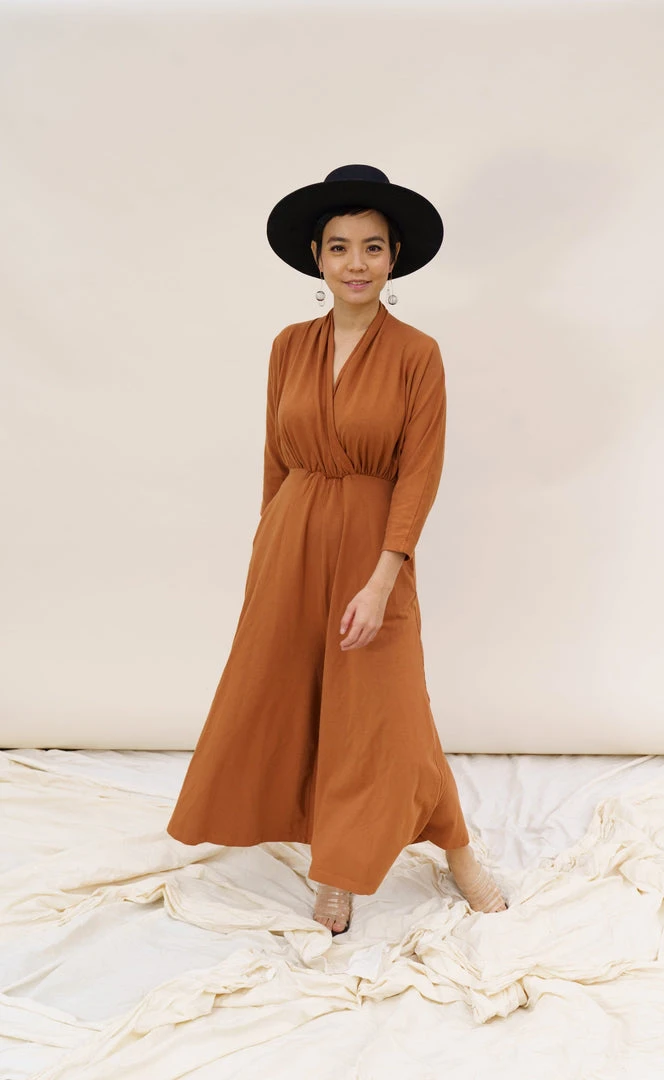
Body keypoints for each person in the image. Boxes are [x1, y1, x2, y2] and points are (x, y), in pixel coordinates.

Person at [166, 164, 507, 935]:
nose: (357, 263)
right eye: (341, 247)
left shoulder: (417, 353)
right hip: (290, 544)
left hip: (372, 550)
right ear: (317, 258)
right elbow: (275, 460)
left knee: (387, 707)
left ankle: (452, 853)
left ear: (394, 259)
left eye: (373, 247)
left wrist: (385, 577)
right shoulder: (289, 346)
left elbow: (420, 473)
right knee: (304, 704)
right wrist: (265, 556)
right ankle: (336, 865)